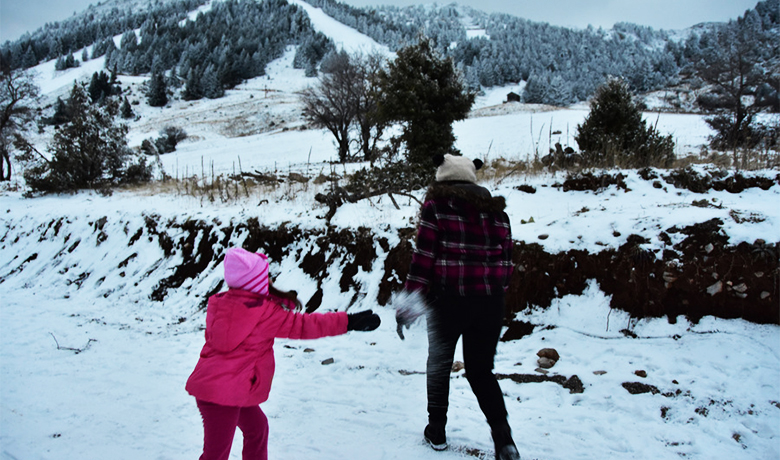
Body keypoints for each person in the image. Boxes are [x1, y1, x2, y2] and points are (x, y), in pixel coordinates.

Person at [186, 247, 380, 460]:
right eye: (264, 276)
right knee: (216, 455)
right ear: (254, 283)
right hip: (222, 394)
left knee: (257, 428)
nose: (268, 280)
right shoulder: (264, 314)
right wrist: (348, 321)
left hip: (219, 387)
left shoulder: (223, 304)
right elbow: (306, 326)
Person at [396, 153, 519, 460]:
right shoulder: (498, 214)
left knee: (439, 365)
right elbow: (507, 265)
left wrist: (409, 303)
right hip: (490, 304)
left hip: (448, 302)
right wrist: (493, 295)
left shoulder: (436, 208)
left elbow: (423, 260)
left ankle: (436, 430)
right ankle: (504, 440)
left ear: (443, 179)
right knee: (481, 371)